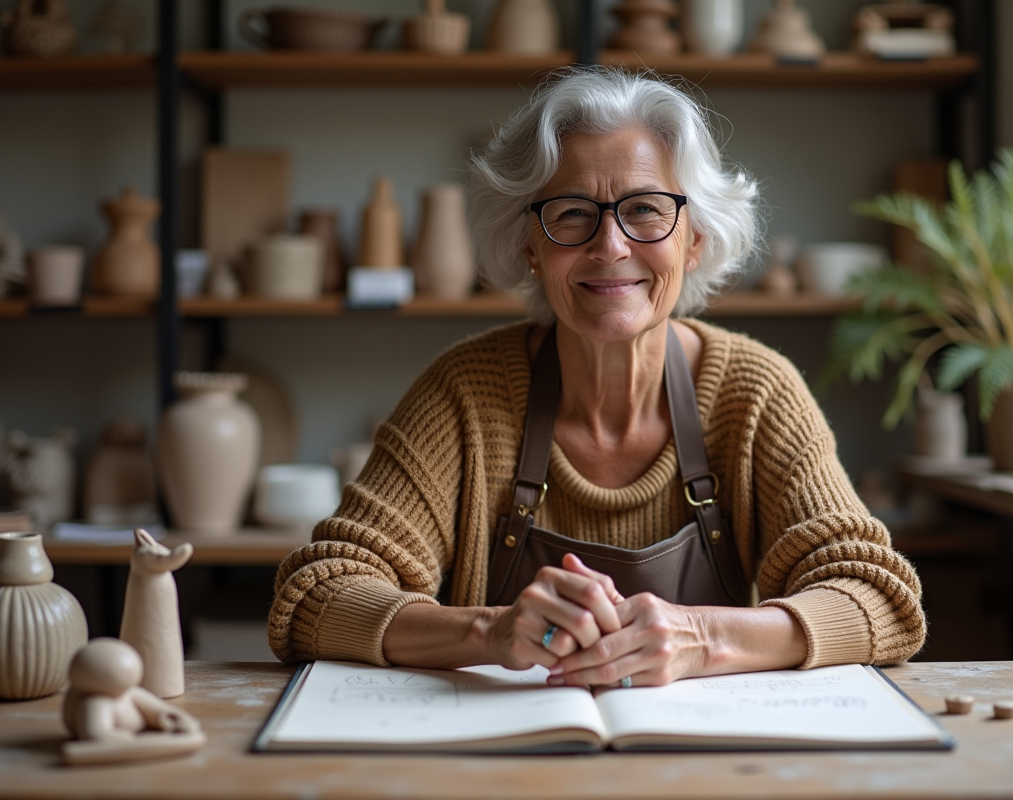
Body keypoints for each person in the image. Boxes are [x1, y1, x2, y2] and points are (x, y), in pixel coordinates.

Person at [268, 68, 925, 688]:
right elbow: (318, 596)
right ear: (531, 247)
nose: (609, 246)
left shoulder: (754, 393)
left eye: (644, 210)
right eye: (573, 213)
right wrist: (487, 631)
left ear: (692, 239)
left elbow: (878, 600)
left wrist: (701, 637)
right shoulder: (464, 394)